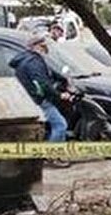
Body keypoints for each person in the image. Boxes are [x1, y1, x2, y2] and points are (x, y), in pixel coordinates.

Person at [10, 34, 71, 166]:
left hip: (30, 99)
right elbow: (42, 83)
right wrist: (59, 95)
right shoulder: (33, 62)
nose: (45, 49)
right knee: (60, 125)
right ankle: (51, 156)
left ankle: (56, 154)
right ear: (35, 47)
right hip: (39, 100)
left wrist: (63, 79)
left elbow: (49, 74)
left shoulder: (27, 59)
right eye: (43, 46)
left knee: (56, 125)